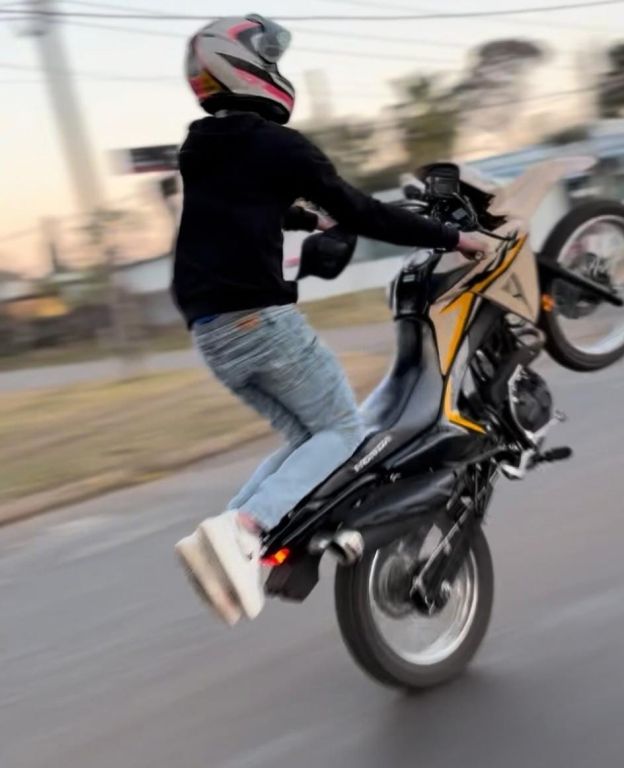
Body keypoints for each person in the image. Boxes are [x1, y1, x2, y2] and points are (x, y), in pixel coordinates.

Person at [173, 14, 499, 626]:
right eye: (269, 57)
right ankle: (246, 527)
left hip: (212, 333)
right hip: (259, 322)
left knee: (310, 439)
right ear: (245, 66)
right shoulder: (280, 147)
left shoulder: (200, 148)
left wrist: (308, 219)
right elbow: (363, 211)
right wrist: (455, 238)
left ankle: (224, 538)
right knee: (344, 432)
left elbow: (244, 203)